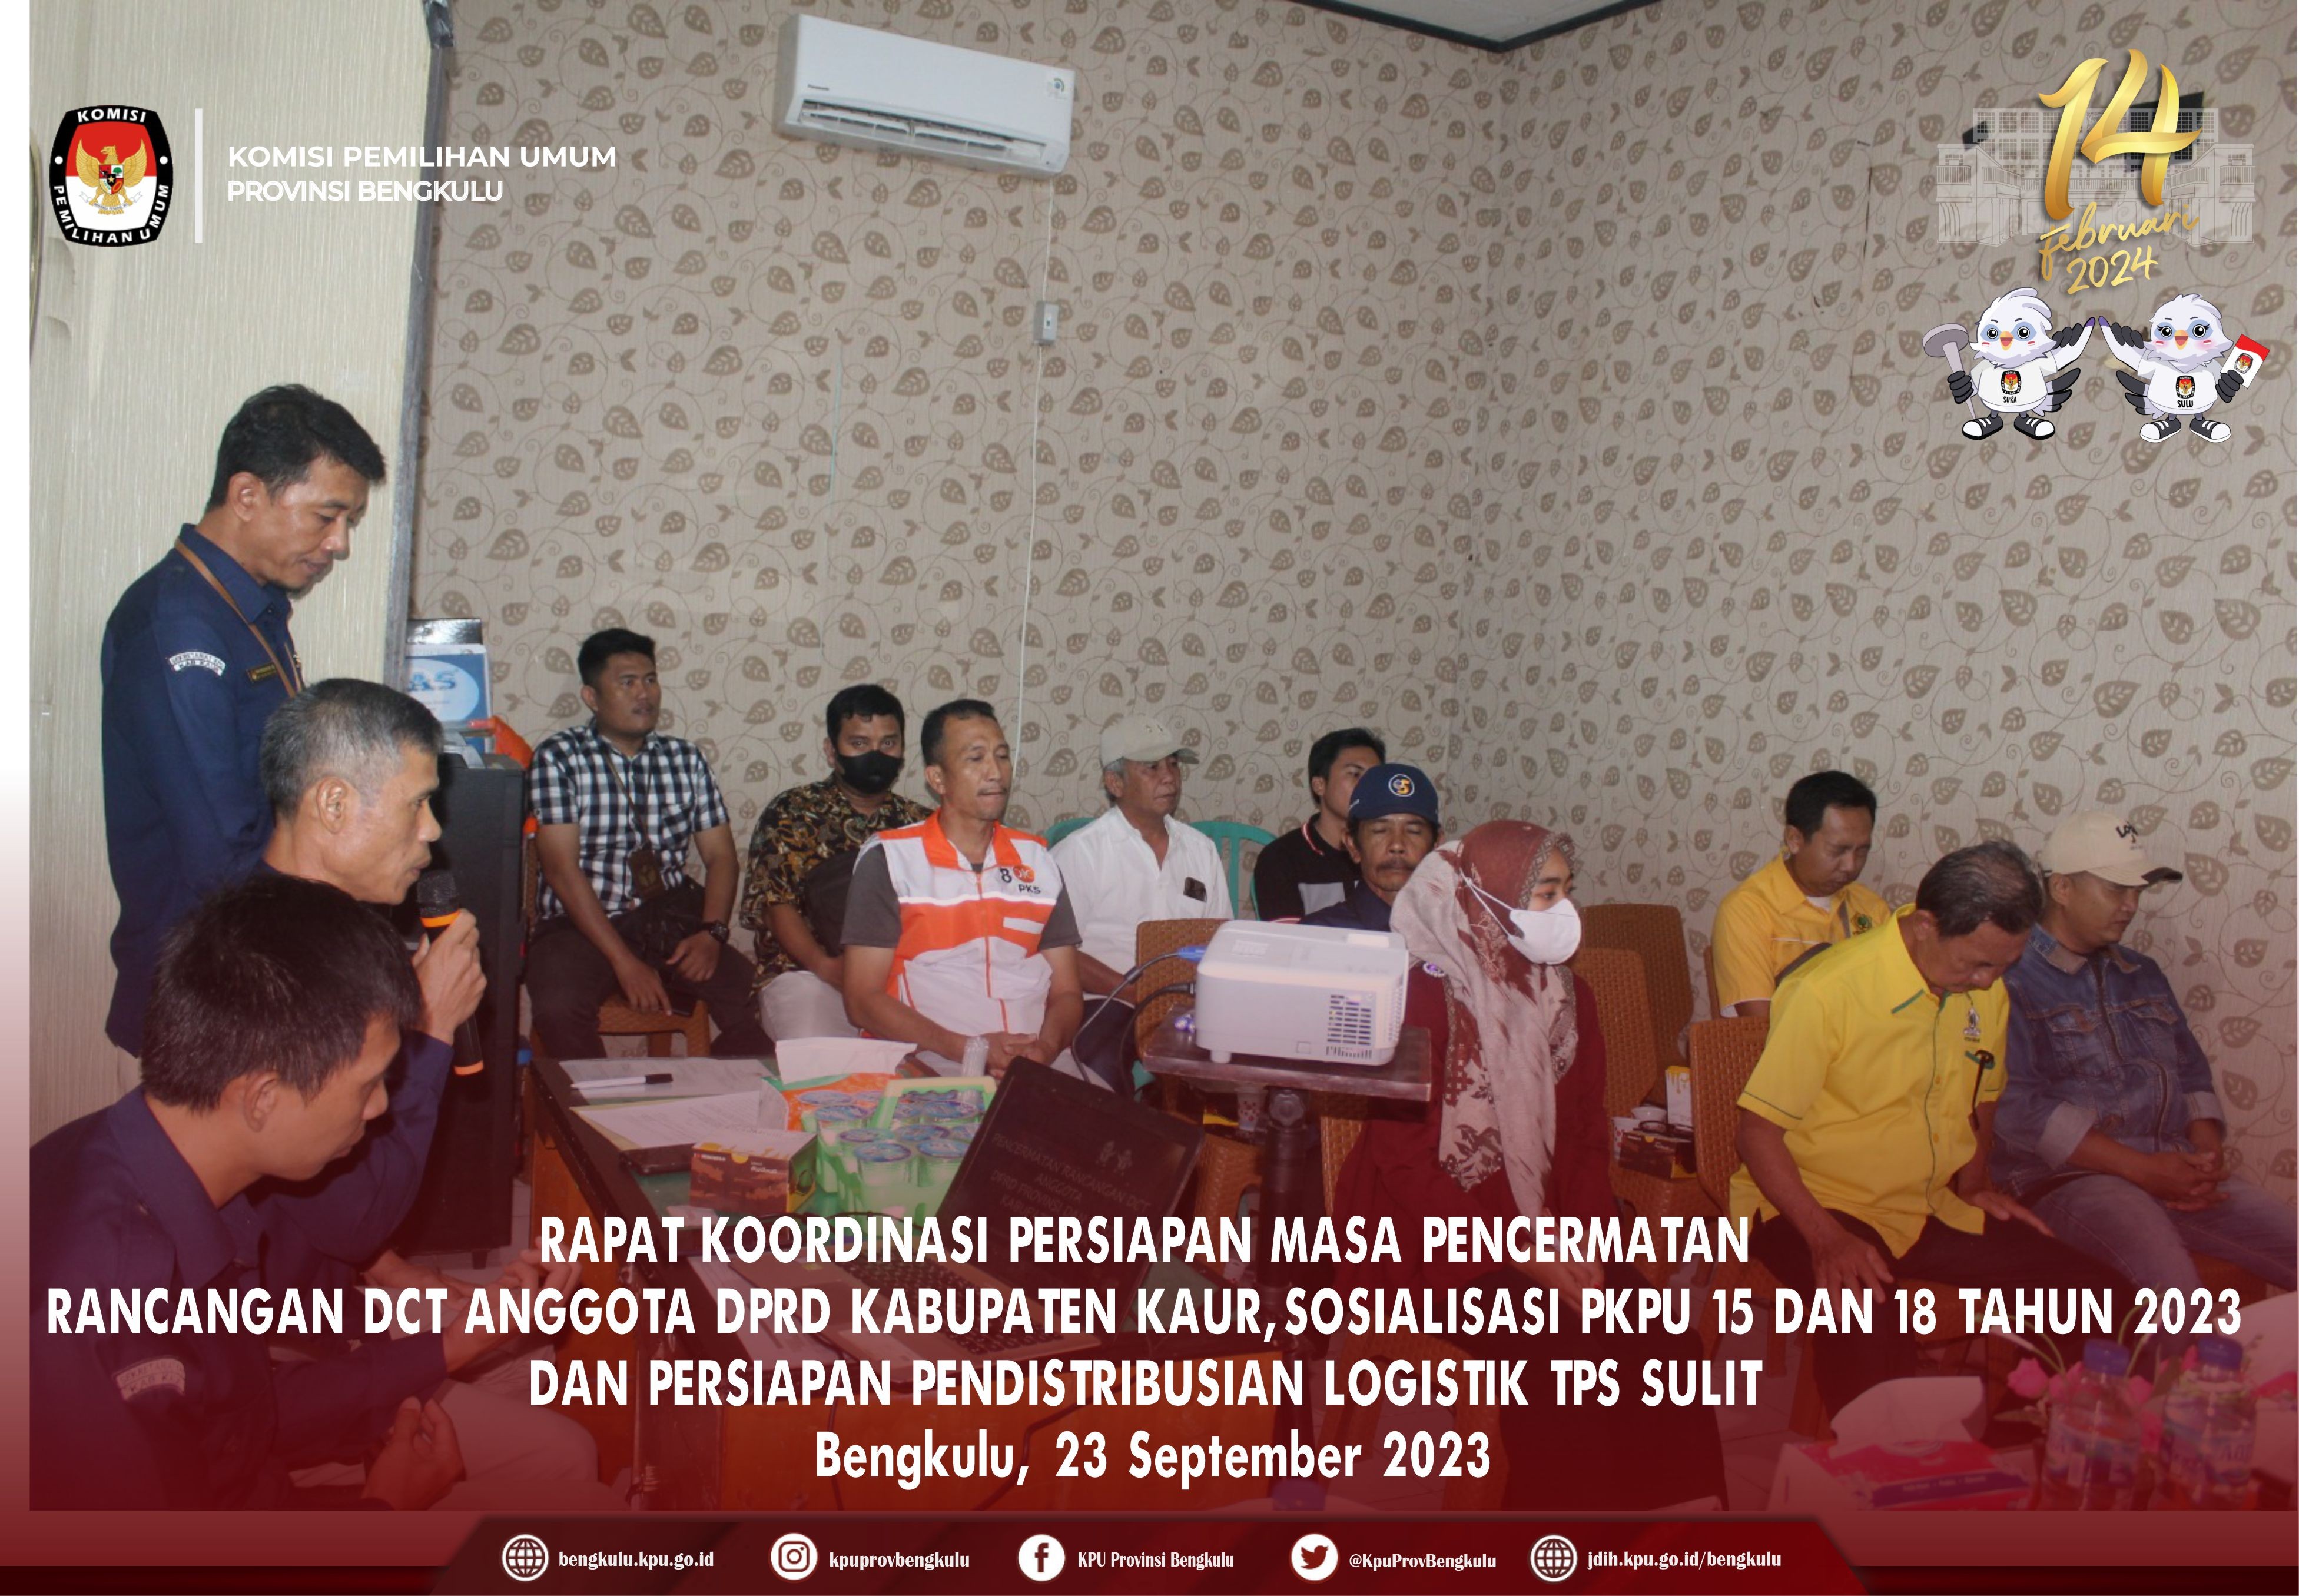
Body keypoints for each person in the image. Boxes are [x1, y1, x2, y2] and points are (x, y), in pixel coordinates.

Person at [31, 875, 605, 1509]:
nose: (381, 1107)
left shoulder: (167, 1158)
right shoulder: (102, 1303)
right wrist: (383, 1510)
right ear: (263, 1097)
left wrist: (464, 1340)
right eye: (367, 1085)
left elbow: (242, 1414)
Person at [1328, 821, 1727, 1509]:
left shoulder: (1567, 996)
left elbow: (1582, 1136)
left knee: (1660, 1338)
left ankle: (1671, 1537)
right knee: (1556, 1353)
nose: (1563, 909)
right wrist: (1522, 1251)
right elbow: (1404, 1167)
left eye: (1567, 890)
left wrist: (1587, 1245)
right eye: (1545, 893)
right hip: (1426, 1236)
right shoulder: (1417, 995)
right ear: (1485, 897)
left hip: (1543, 1221)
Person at [1730, 841, 2131, 1416]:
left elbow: (1983, 1096)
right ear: (1924, 925)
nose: (1987, 980)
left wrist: (1974, 1185)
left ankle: (2030, 1435)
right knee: (1871, 1330)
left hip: (1921, 1206)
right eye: (1975, 963)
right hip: (1810, 1206)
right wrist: (1826, 1238)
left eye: (2003, 965)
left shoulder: (1984, 992)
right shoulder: (1828, 990)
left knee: (2098, 1296)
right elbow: (1756, 1133)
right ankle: (1866, 1463)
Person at [101, 384, 386, 1054]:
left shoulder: (249, 609)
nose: (339, 544)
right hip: (207, 986)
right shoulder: (180, 624)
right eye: (327, 516)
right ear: (248, 494)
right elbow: (220, 852)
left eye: (348, 521)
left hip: (253, 958)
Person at [1991, 813, 2295, 1295]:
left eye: (2137, 891)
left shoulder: (2142, 972)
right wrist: (2141, 1170)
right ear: (2062, 888)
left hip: (2169, 1162)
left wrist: (2204, 1157)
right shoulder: (2009, 976)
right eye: (2116, 889)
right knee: (2174, 1291)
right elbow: (2018, 1109)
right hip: (2067, 1178)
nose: (2131, 906)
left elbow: (2191, 1073)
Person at [526, 629, 770, 1061]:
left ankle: (707, 1091)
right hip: (579, 924)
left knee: (758, 999)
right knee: (559, 1008)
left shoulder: (685, 759)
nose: (645, 693)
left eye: (651, 680)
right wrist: (624, 962)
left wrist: (712, 934)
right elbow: (561, 869)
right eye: (627, 682)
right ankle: (596, 1102)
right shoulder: (559, 756)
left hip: (666, 918)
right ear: (591, 696)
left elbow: (721, 858)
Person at [841, 699, 1086, 1077]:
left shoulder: (1037, 860)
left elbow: (1067, 991)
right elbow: (862, 1000)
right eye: (976, 758)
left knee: (1110, 1113)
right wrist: (972, 1051)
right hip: (928, 1056)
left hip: (1035, 1060)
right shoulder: (890, 859)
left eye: (1002, 756)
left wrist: (1047, 1049)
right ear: (937, 779)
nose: (996, 772)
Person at [738, 685, 929, 1042]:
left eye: (888, 743)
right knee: (821, 1059)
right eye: (859, 743)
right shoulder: (792, 812)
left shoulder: (921, 824)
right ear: (831, 751)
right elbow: (775, 905)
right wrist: (825, 966)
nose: (876, 755)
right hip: (809, 975)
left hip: (902, 979)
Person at [1052, 714, 1233, 996]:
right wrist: (1140, 996)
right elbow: (1056, 953)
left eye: (1173, 764)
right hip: (1109, 1002)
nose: (1169, 777)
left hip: (1186, 1001)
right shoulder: (1080, 853)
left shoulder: (1201, 850)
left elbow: (1222, 942)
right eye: (1152, 767)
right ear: (1115, 783)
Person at [1710, 769, 1890, 1018]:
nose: (1851, 866)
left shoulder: (1871, 908)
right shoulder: (1748, 910)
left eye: (1862, 851)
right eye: (1838, 850)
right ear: (1794, 839)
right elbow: (1760, 1025)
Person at [1252, 727, 1385, 920]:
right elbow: (1285, 937)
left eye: (1374, 778)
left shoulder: (1389, 852)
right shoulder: (1281, 858)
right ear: (1319, 785)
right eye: (1355, 774)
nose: (1367, 787)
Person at [1300, 762, 1440, 933]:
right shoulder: (1319, 934)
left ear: (1436, 846)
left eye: (1414, 831)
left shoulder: (1457, 935)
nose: (1397, 845)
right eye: (1380, 830)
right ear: (1352, 845)